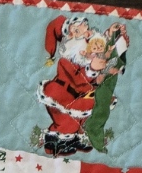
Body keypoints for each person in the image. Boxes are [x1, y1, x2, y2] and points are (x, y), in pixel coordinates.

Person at [39, 15, 128, 158]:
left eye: (84, 25)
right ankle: (56, 145)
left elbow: (100, 45)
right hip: (63, 96)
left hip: (80, 96)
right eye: (77, 30)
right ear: (70, 38)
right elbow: (78, 80)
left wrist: (111, 34)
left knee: (82, 121)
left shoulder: (88, 53)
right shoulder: (67, 60)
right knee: (66, 123)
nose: (85, 31)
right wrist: (92, 69)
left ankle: (77, 141)